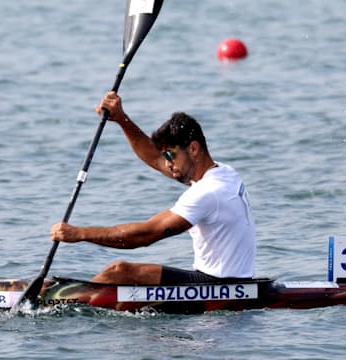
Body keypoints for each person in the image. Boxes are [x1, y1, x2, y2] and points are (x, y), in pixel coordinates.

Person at [50, 91, 256, 285]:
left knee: (120, 271)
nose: (167, 163)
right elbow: (155, 158)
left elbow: (146, 236)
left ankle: (63, 298)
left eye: (171, 155)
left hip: (221, 286)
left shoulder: (207, 193)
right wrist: (122, 119)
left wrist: (80, 234)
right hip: (233, 281)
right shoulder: (224, 173)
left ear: (193, 148)